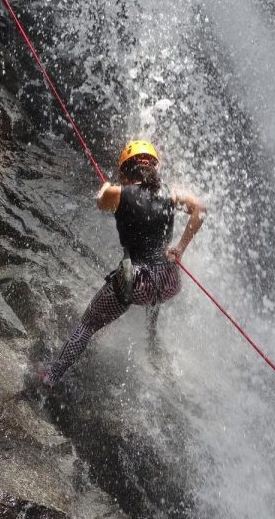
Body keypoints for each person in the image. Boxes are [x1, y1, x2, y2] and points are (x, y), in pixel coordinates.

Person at [40, 140, 206, 388]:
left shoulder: (117, 193)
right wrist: (180, 248)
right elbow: (201, 210)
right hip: (168, 280)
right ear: (154, 169)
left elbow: (102, 201)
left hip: (136, 281)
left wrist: (106, 187)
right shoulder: (173, 195)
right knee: (155, 290)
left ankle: (52, 374)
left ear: (125, 172)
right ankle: (152, 342)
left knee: (88, 323)